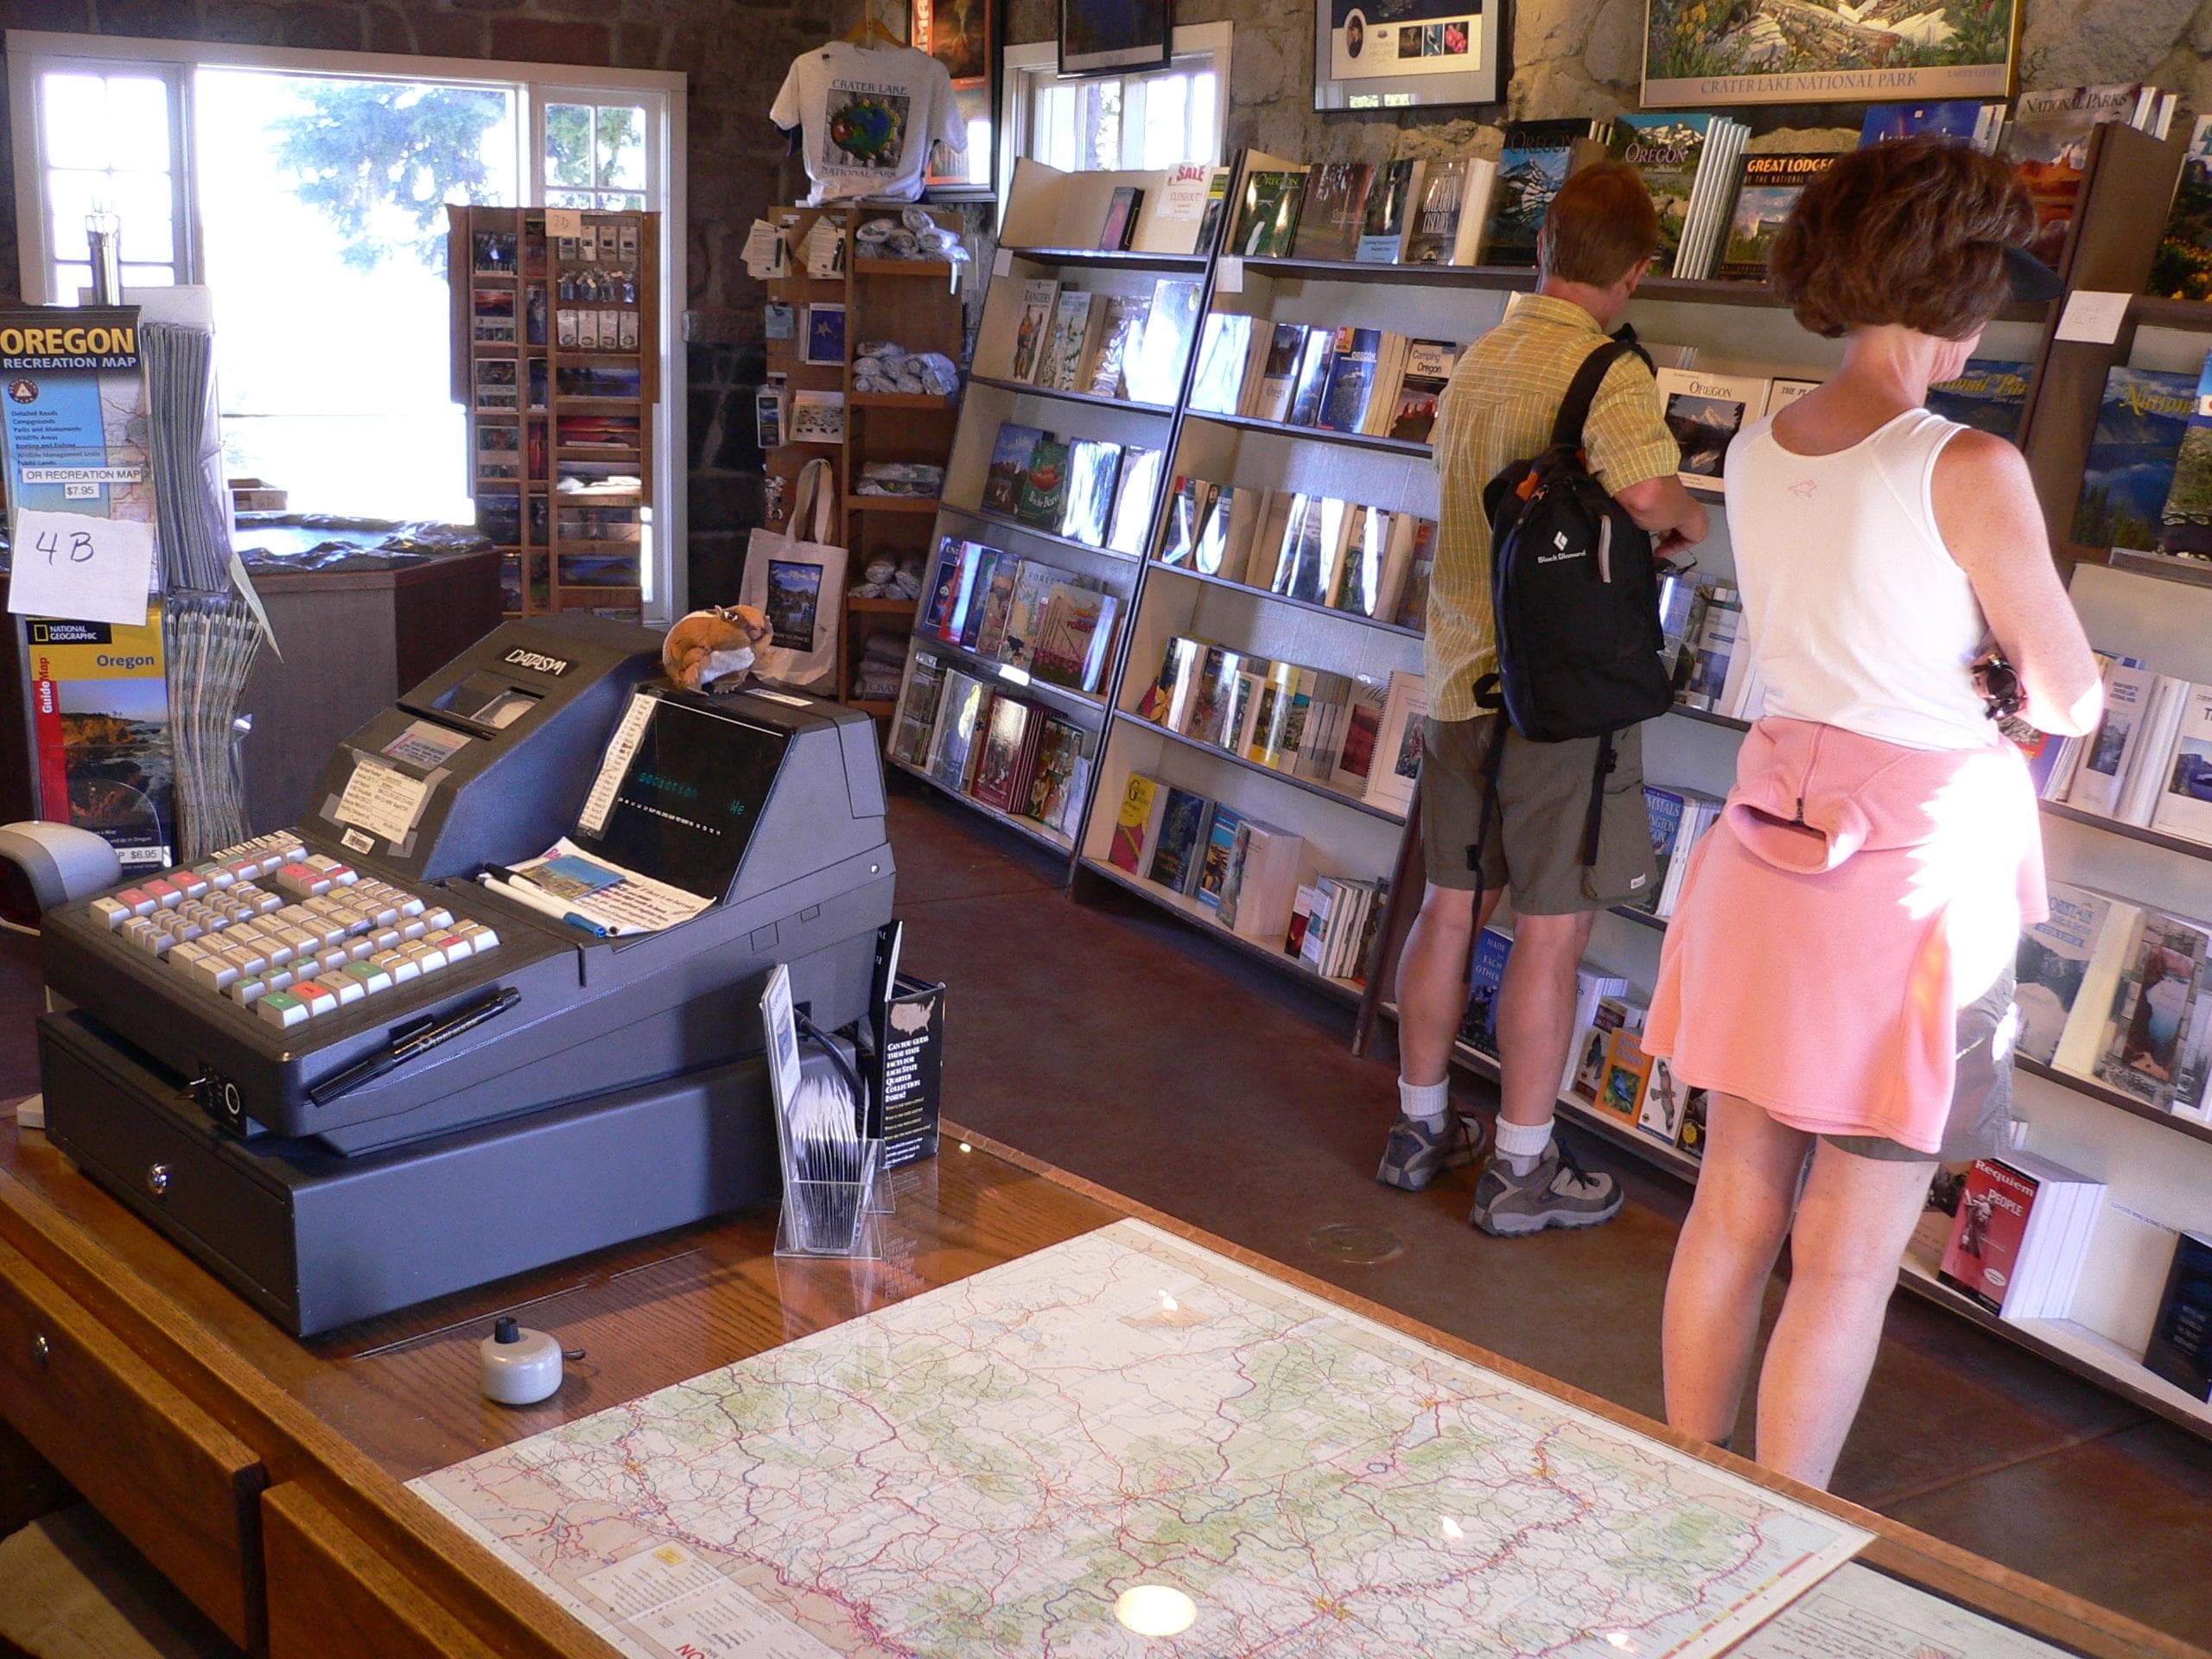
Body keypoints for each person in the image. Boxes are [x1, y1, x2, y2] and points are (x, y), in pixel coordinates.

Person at [1647, 136, 2104, 1489]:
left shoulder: (1764, 444)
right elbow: (2069, 698)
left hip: (1768, 857)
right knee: (1844, 1258)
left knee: (1730, 1210)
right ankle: (1780, 1540)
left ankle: (1681, 1489)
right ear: (1964, 290)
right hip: (1908, 901)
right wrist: (2005, 680)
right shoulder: (1967, 464)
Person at [1378, 162, 1710, 1234]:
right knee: (1550, 933)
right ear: (1640, 271)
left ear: (1543, 252)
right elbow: (1655, 502)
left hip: (1456, 676)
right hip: (1559, 693)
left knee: (1447, 906)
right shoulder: (1606, 373)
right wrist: (1685, 525)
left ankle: (1419, 1127)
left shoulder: (1480, 360)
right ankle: (1523, 1167)